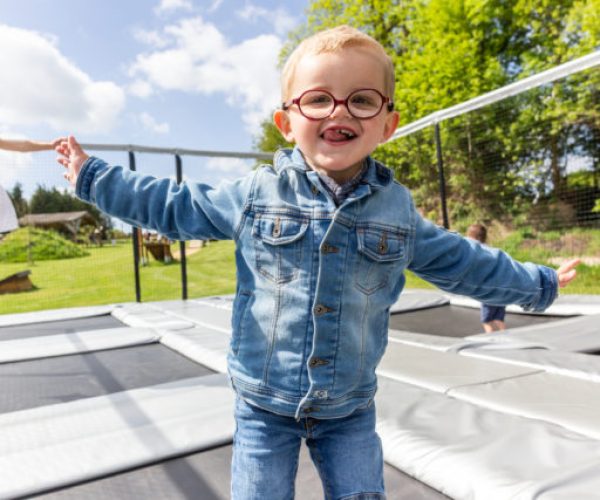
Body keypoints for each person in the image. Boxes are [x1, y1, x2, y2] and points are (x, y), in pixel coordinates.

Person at [55, 25, 580, 500]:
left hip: (349, 409)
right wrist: (93, 177)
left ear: (388, 124)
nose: (340, 112)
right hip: (263, 405)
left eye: (362, 100)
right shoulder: (256, 193)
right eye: (320, 100)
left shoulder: (396, 211)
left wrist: (538, 283)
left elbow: (463, 261)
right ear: (287, 122)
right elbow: (174, 206)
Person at [466, 223, 507, 333]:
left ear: (474, 238)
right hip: (502, 289)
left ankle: (491, 341)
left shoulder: (475, 250)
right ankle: (506, 338)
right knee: (499, 319)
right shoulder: (492, 250)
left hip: (488, 290)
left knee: (487, 320)